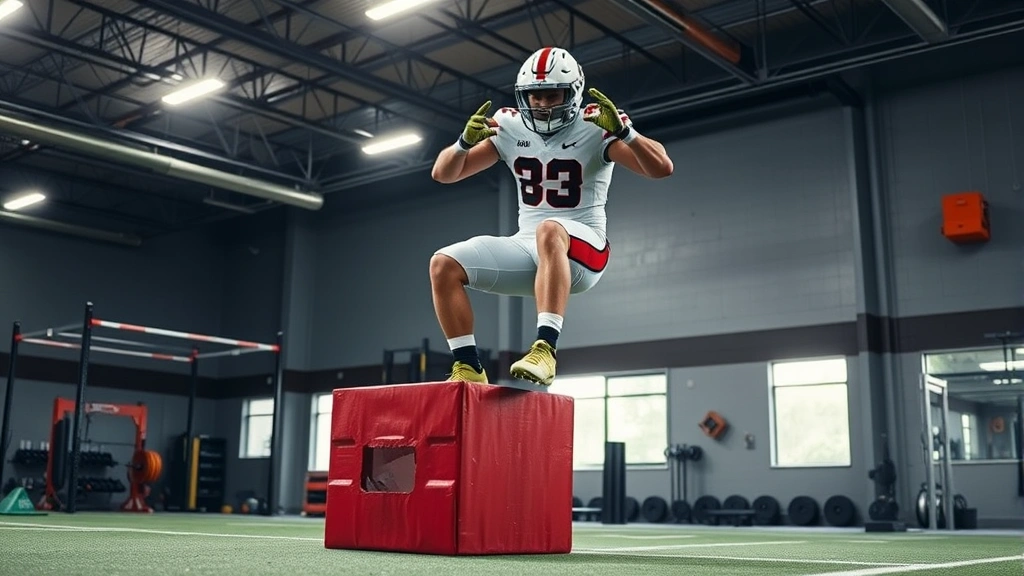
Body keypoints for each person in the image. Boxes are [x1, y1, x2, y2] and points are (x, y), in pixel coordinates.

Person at [429, 46, 674, 386]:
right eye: (534, 96)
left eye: (551, 94)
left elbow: (661, 168)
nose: (542, 104)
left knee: (550, 229)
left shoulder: (595, 124)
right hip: (529, 247)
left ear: (572, 92)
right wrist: (462, 143)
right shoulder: (509, 126)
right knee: (443, 264)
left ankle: (545, 348)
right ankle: (469, 366)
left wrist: (625, 133)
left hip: (584, 251)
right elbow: (444, 174)